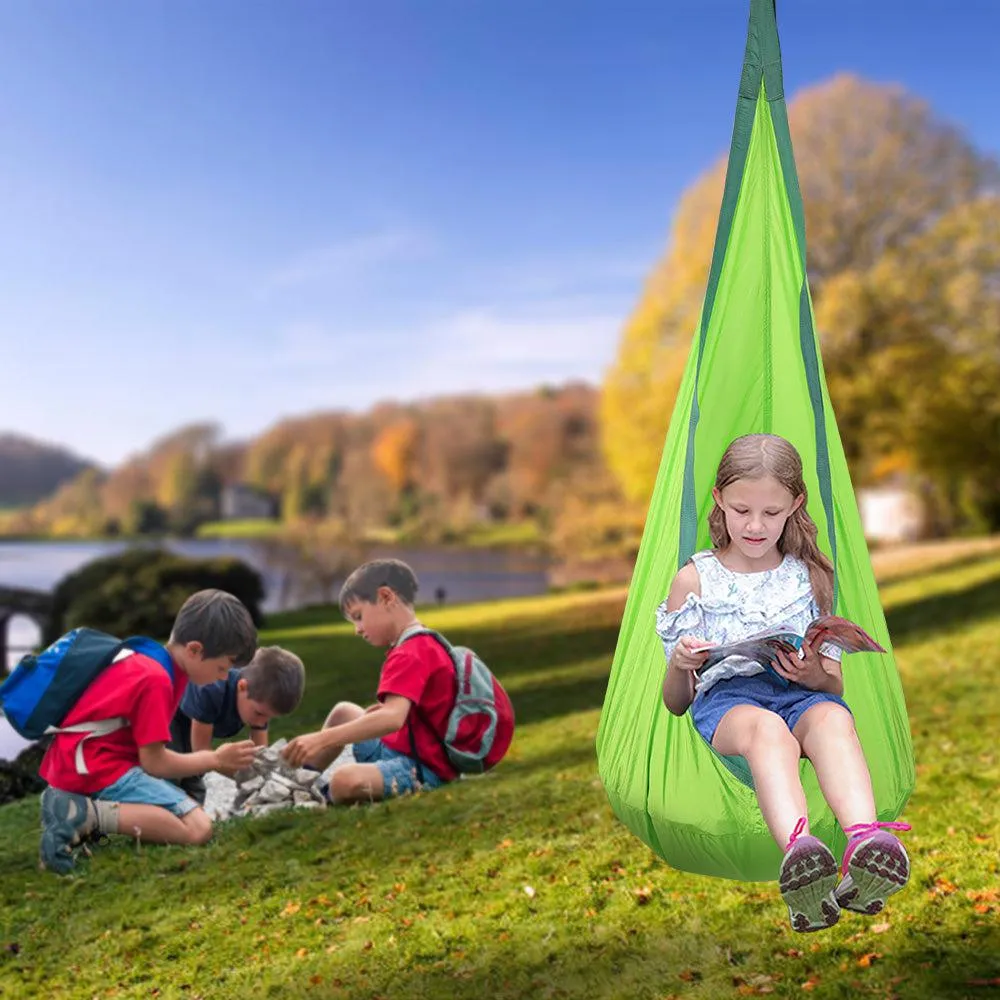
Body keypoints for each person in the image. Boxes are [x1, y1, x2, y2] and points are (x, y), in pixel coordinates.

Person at [656, 433, 909, 932]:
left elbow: (832, 685)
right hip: (730, 704)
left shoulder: (808, 574)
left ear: (794, 505)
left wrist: (812, 672)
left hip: (799, 692)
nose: (755, 525)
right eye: (742, 509)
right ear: (719, 502)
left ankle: (865, 843)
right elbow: (676, 704)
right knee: (768, 731)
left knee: (834, 718)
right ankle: (801, 857)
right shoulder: (695, 580)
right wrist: (681, 664)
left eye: (771, 513)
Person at [38, 589, 259, 874]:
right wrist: (216, 759)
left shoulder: (155, 660)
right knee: (197, 828)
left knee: (177, 812)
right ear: (194, 650)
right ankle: (82, 816)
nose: (222, 677)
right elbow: (154, 763)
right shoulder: (156, 680)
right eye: (222, 667)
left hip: (79, 762)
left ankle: (74, 811)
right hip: (99, 766)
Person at [283, 559, 492, 802]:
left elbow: (392, 719)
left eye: (359, 616)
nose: (357, 630)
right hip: (403, 748)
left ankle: (309, 798)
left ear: (385, 597)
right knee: (344, 712)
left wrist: (320, 739)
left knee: (344, 781)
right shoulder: (425, 641)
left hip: (422, 768)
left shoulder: (408, 653)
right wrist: (383, 713)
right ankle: (298, 783)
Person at [168, 645, 306, 805]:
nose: (261, 723)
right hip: (169, 714)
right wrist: (248, 778)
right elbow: (202, 752)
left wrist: (266, 780)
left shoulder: (257, 701)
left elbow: (259, 756)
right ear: (242, 687)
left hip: (193, 719)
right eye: (260, 714)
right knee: (174, 774)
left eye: (269, 718)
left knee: (194, 786)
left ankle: (188, 819)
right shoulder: (211, 690)